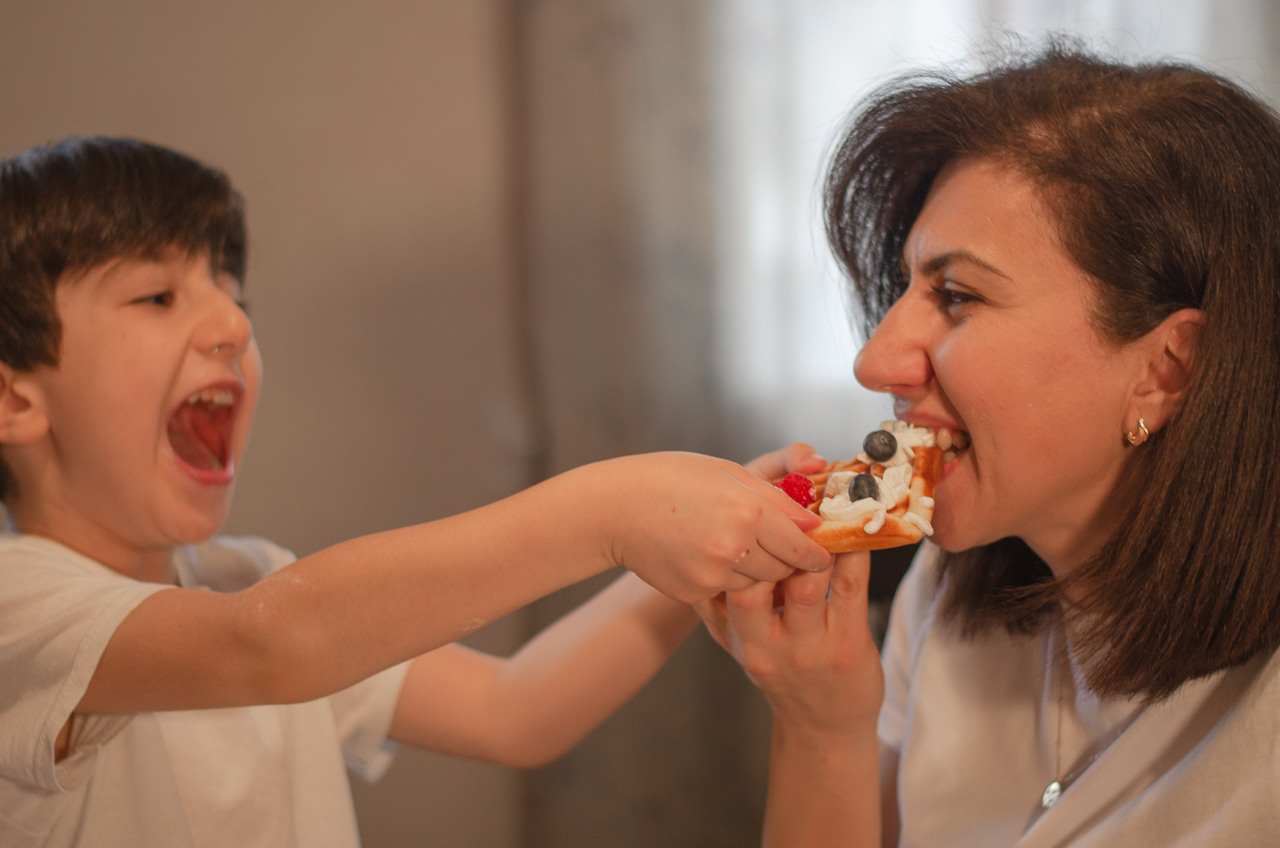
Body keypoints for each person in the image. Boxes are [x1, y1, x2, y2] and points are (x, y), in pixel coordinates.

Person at [0, 135, 834, 847]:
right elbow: (266, 644)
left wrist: (695, 561)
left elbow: (517, 711)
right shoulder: (21, 606)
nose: (234, 326)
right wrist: (613, 510)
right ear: (14, 399)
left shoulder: (245, 573)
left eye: (232, 292)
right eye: (157, 296)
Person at [697, 38, 1280, 847]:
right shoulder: (942, 593)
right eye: (905, 288)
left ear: (1165, 370)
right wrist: (820, 724)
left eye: (958, 294)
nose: (874, 361)